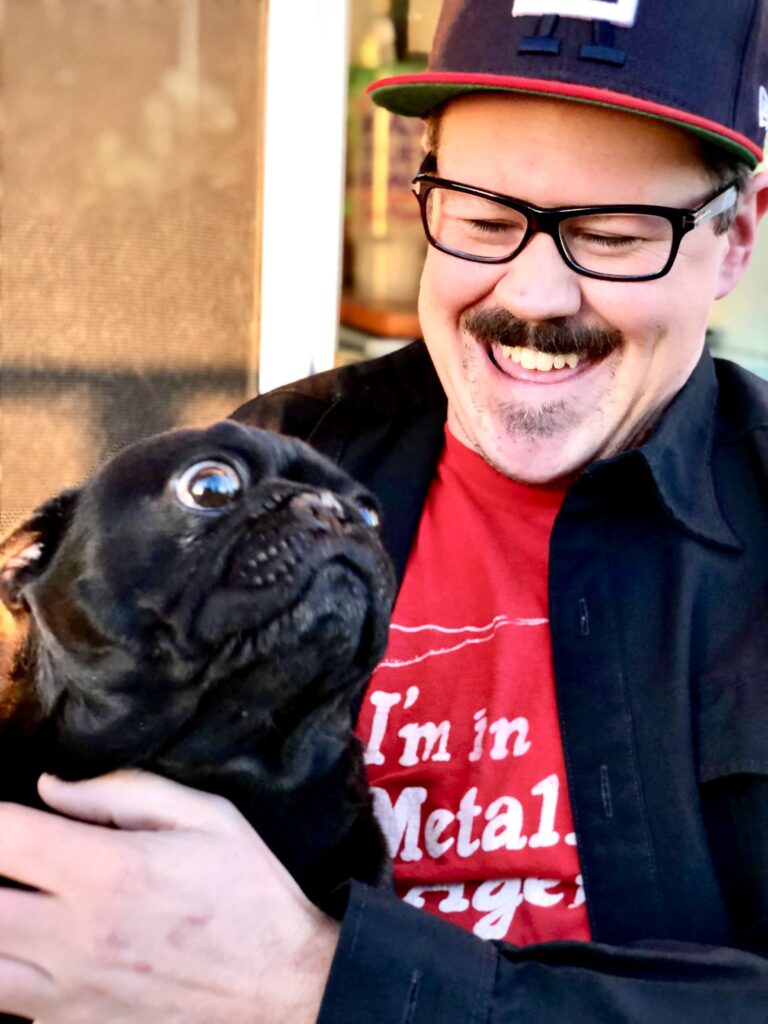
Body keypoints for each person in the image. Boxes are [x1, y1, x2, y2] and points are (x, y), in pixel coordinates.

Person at [0, 0, 766, 1020]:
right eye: (484, 219)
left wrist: (314, 979)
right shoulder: (292, 465)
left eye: (615, 236)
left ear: (734, 243)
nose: (534, 292)